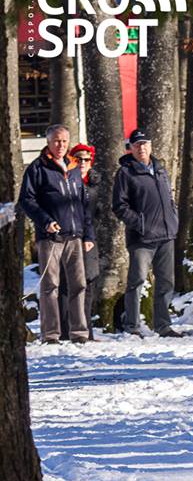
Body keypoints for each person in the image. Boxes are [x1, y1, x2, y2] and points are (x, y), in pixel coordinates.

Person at [18, 124, 94, 344]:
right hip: (51, 237)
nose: (60, 145)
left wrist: (88, 235)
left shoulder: (73, 168)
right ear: (48, 143)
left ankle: (79, 332)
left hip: (75, 236)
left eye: (64, 141)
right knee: (50, 285)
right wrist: (45, 222)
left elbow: (82, 204)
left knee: (79, 284)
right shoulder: (38, 168)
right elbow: (26, 200)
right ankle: (51, 334)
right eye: (56, 141)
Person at [112, 128, 182, 337]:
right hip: (141, 238)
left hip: (166, 235)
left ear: (150, 146)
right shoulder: (125, 173)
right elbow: (119, 206)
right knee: (137, 281)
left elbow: (169, 198)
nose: (141, 148)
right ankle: (132, 327)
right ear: (130, 148)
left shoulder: (160, 169)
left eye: (144, 144)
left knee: (166, 282)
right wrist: (140, 224)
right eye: (137, 145)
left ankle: (163, 325)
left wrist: (173, 218)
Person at [58, 143, 100, 340]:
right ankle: (66, 330)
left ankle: (86, 330)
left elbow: (99, 212)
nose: (83, 163)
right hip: (68, 238)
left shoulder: (96, 183)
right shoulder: (65, 180)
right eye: (78, 158)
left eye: (87, 159)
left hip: (89, 240)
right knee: (67, 284)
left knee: (87, 284)